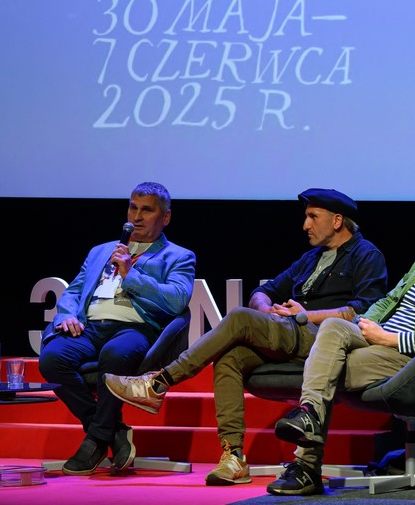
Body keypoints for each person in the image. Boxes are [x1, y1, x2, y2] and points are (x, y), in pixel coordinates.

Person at [104, 189, 389, 485]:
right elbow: (263, 292)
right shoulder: (311, 258)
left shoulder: (366, 255)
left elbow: (366, 311)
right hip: (289, 333)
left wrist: (306, 315)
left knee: (240, 317)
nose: (305, 225)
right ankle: (234, 456)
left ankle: (158, 383)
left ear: (337, 221)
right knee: (230, 356)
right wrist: (266, 311)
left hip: (326, 340)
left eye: (313, 217)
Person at [266, 190, 415, 497]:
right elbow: (389, 300)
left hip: (411, 360)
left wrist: (387, 338)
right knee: (333, 326)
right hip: (378, 337)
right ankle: (310, 415)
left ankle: (307, 465)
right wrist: (362, 325)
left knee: (329, 367)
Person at [37, 182, 195, 474]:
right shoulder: (101, 251)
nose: (137, 217)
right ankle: (112, 432)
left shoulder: (178, 256)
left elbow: (176, 300)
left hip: (134, 328)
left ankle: (96, 440)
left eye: (147, 210)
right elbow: (75, 290)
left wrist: (131, 274)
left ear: (165, 217)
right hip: (89, 327)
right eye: (133, 208)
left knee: (114, 354)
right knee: (52, 359)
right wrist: (67, 315)